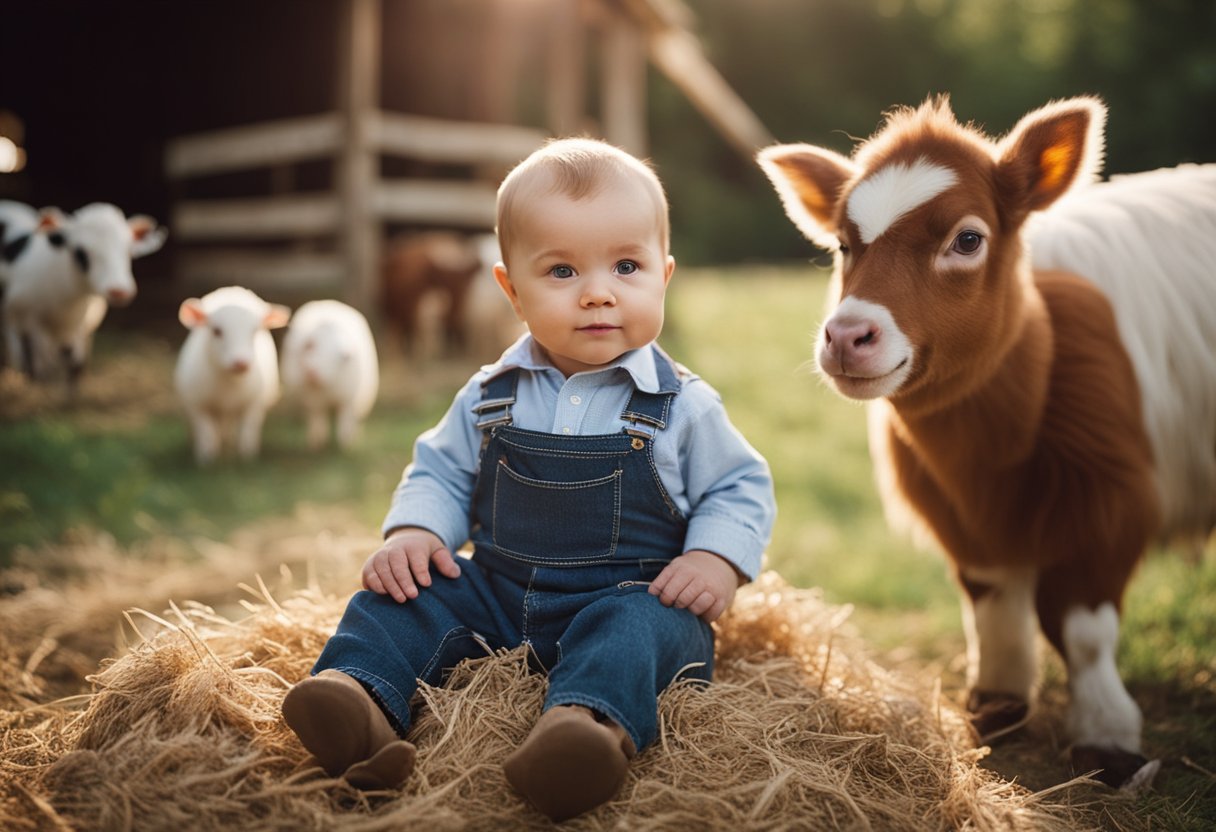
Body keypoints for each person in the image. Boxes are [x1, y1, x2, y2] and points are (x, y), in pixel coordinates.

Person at [281, 137, 776, 822]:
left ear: (663, 277)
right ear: (511, 290)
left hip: (628, 593)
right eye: (563, 271)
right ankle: (357, 700)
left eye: (626, 266)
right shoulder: (490, 395)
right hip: (499, 593)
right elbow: (443, 467)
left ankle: (582, 732)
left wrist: (715, 558)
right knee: (398, 598)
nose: (599, 292)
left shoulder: (683, 405)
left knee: (642, 631)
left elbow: (739, 486)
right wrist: (419, 531)